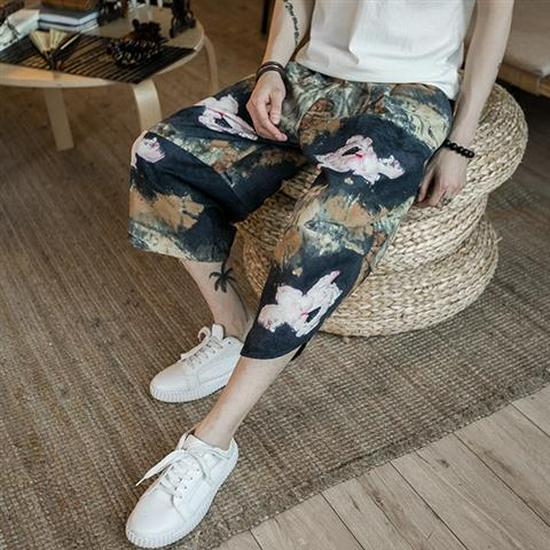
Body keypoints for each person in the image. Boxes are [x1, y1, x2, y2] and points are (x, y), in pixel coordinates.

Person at [125, 0, 515, 546]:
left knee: (321, 236)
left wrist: (460, 140)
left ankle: (213, 442)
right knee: (158, 155)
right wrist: (272, 68)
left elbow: (496, 14)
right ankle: (233, 330)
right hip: (311, 77)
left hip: (411, 93)